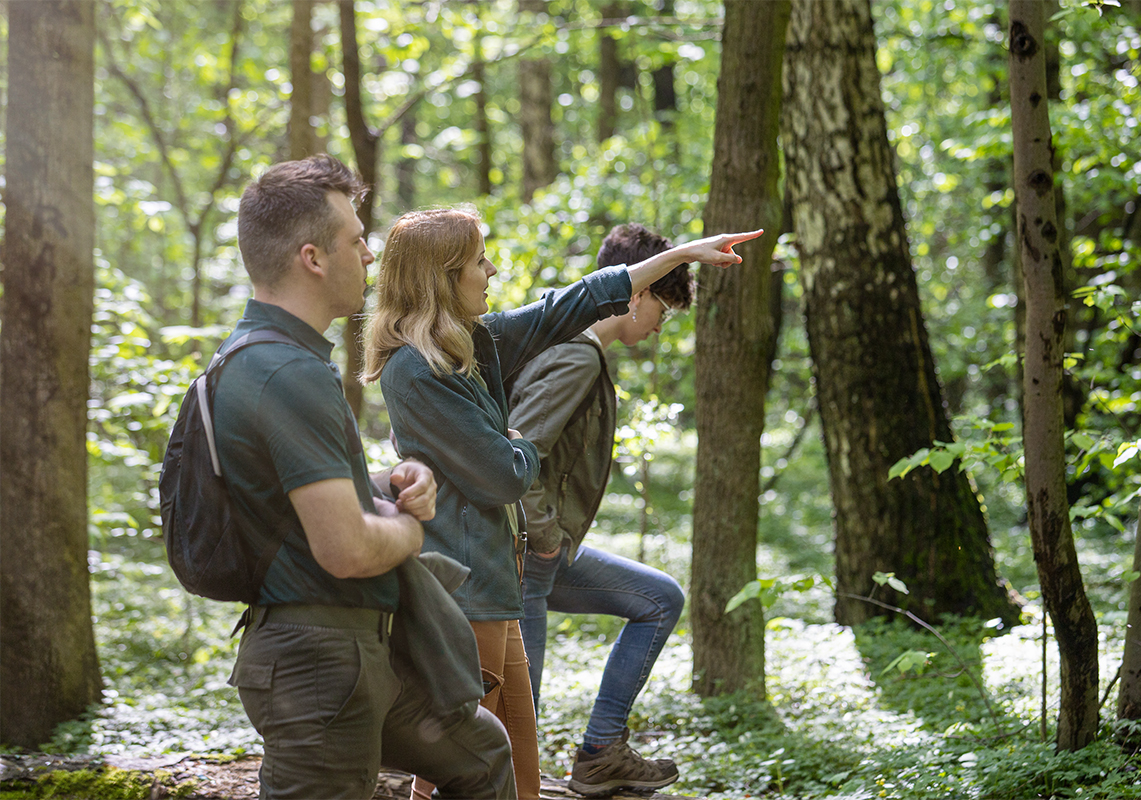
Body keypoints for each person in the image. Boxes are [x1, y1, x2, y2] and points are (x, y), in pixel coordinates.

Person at [361, 208, 761, 800]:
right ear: (443, 277)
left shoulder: (472, 343)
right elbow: (501, 477)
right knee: (457, 772)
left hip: (498, 579)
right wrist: (519, 450)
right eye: (478, 261)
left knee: (518, 768)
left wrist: (678, 256)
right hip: (471, 589)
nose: (491, 270)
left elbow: (568, 305)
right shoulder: (416, 372)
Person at [216, 155, 515, 800]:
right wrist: (412, 528)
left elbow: (289, 493)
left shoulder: (272, 360)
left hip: (348, 648)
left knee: (483, 752)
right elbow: (347, 548)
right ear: (312, 258)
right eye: (356, 240)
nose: (371, 258)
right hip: (317, 661)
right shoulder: (284, 372)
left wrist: (383, 482)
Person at [507, 223, 693, 797]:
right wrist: (542, 536)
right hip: (521, 556)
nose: (664, 322)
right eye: (664, 304)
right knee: (518, 722)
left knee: (660, 598)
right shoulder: (576, 356)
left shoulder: (557, 334)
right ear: (636, 293)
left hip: (542, 553)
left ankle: (602, 753)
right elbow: (517, 450)